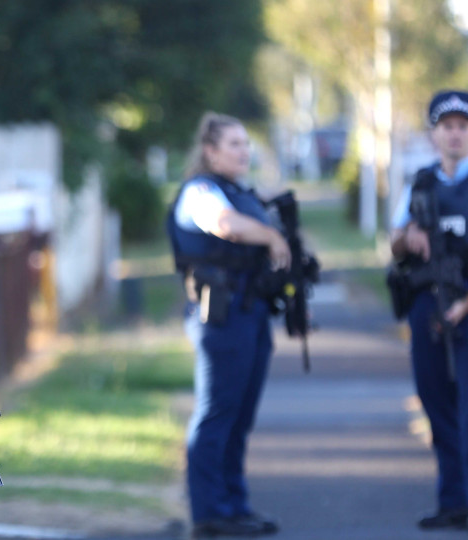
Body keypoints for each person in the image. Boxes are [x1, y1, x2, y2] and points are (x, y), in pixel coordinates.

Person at [389, 90, 468, 533]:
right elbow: (394, 240)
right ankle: (454, 500)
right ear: (434, 134)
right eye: (447, 126)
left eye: (463, 126)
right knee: (434, 398)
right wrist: (409, 237)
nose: (455, 133)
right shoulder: (420, 183)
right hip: (427, 302)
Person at [167, 112, 290, 539]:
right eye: (233, 143)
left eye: (245, 143)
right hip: (220, 314)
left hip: (250, 312)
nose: (244, 150)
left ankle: (234, 507)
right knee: (217, 413)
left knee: (239, 417)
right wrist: (272, 238)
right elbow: (224, 225)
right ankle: (208, 512)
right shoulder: (201, 191)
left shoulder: (239, 190)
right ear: (210, 150)